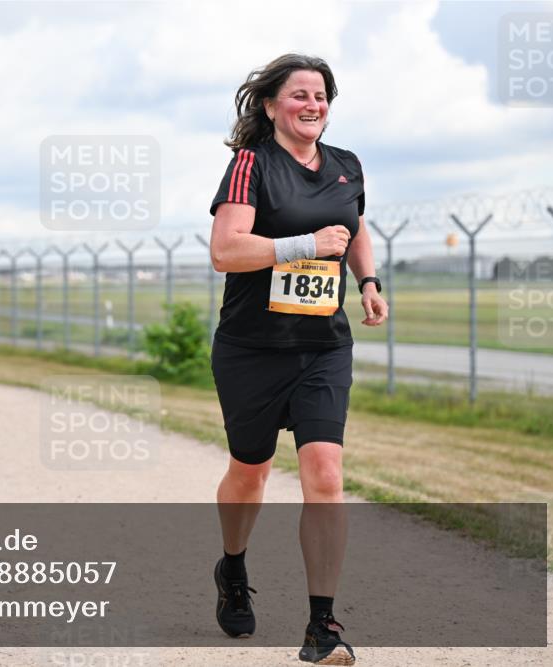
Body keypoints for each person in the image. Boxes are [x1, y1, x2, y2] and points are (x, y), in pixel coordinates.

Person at [208, 54, 388, 666]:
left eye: (321, 96)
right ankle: (232, 567)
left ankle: (322, 627)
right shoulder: (250, 165)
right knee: (250, 473)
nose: (312, 105)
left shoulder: (346, 166)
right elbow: (226, 251)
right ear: (270, 105)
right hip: (252, 350)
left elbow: (355, 226)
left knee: (326, 477)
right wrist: (303, 246)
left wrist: (367, 281)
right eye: (299, 95)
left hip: (322, 348)